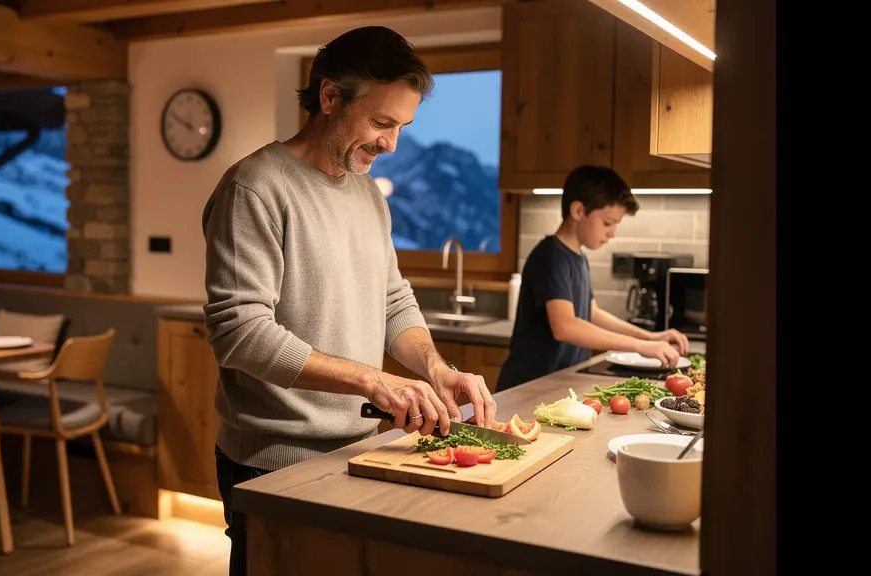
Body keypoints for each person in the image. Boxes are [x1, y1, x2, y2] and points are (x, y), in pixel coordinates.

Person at [200, 26, 498, 576]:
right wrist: (374, 380)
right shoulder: (255, 187)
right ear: (330, 97)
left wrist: (436, 367)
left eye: (402, 127)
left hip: (359, 449)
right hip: (271, 462)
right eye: (381, 123)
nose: (392, 145)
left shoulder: (368, 195)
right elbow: (240, 331)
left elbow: (393, 302)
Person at [495, 165, 689, 392]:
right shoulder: (550, 256)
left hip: (557, 383)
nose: (612, 233)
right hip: (528, 387)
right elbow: (565, 326)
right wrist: (639, 346)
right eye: (607, 223)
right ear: (578, 211)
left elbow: (592, 313)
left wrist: (651, 337)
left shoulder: (577, 256)